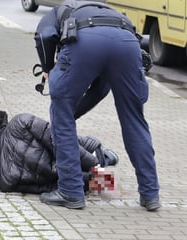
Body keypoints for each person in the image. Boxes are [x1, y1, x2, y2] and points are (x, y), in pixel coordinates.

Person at [34, 0, 160, 210]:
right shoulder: (109, 11)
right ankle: (150, 194)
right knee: (134, 120)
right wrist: (73, 114)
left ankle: (70, 191)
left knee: (60, 112)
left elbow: (44, 36)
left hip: (85, 41)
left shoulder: (57, 12)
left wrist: (48, 68)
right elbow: (101, 88)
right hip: (128, 43)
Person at [0, 111, 118, 194]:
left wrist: (90, 181)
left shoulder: (5, 180)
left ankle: (101, 176)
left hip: (73, 177)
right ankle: (100, 156)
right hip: (78, 156)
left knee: (102, 180)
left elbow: (45, 188)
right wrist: (93, 159)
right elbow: (57, 137)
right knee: (62, 136)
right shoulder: (19, 122)